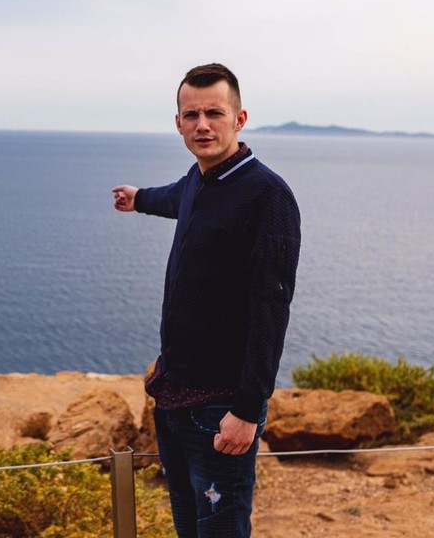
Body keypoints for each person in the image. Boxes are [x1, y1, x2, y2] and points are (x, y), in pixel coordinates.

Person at [112, 63, 300, 538]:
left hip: (222, 409)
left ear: (239, 119)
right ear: (178, 123)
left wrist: (247, 411)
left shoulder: (267, 196)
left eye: (214, 113)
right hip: (173, 395)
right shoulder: (199, 179)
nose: (202, 125)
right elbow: (177, 197)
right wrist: (139, 198)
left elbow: (271, 310)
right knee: (188, 529)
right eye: (191, 115)